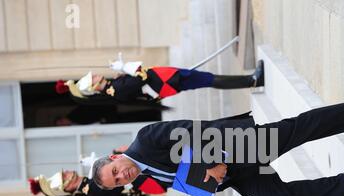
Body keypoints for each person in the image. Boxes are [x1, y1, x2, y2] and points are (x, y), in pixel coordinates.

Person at [91, 96, 344, 196]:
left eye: (115, 171)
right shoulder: (146, 175)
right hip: (236, 173)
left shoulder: (145, 139)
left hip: (238, 146)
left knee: (297, 130)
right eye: (117, 182)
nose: (121, 177)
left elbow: (192, 132)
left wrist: (212, 165)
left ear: (114, 157)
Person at [55, 54, 264, 107]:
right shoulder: (115, 91)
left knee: (208, 79)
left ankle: (251, 80)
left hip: (165, 77)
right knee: (210, 80)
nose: (98, 76)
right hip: (166, 82)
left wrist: (123, 69)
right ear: (95, 87)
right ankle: (251, 81)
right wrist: (126, 67)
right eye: (95, 79)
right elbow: (140, 77)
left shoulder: (113, 86)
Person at [28, 170, 166, 196]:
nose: (67, 172)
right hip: (146, 180)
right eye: (64, 175)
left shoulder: (90, 181)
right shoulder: (92, 190)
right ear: (67, 187)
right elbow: (121, 180)